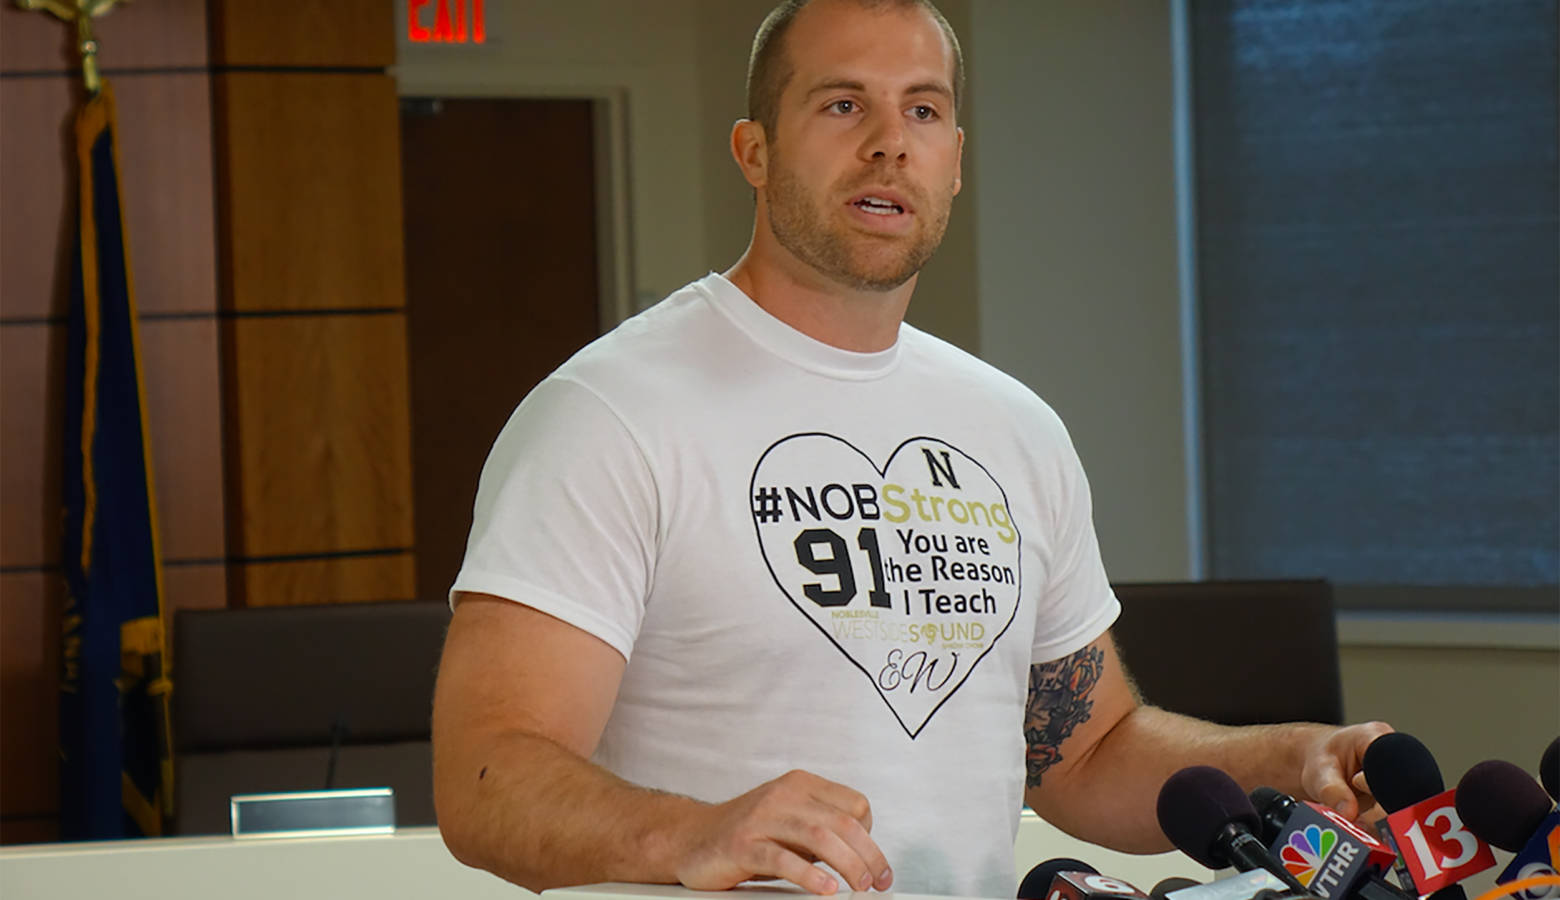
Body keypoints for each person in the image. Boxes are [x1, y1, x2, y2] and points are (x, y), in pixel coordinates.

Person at [430, 1, 1393, 896]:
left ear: (957, 158)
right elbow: (487, 773)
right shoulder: (608, 412)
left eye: (923, 111)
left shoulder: (1014, 427)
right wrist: (689, 833)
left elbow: (1086, 756)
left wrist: (1288, 758)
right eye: (843, 103)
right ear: (753, 150)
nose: (890, 143)